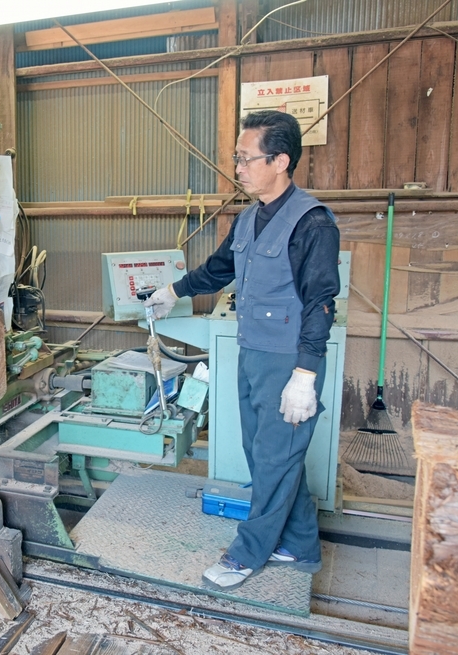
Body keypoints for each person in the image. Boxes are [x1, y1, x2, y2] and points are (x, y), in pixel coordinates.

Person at [145, 110, 340, 591]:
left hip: (288, 361)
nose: (238, 168)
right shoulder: (249, 218)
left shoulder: (313, 223)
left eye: (246, 158)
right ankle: (300, 545)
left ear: (280, 161)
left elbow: (320, 303)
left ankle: (247, 553)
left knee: (275, 459)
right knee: (267, 454)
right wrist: (174, 290)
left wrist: (305, 376)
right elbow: (218, 270)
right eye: (237, 158)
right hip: (251, 353)